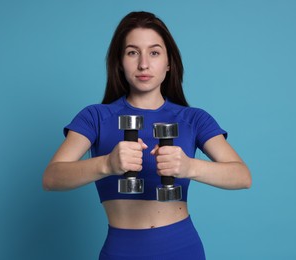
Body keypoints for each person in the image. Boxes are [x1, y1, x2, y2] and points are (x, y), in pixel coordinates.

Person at [43, 11, 252, 260]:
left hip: (182, 248)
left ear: (169, 62)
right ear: (119, 62)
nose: (144, 64)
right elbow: (51, 178)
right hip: (121, 251)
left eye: (154, 52)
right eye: (133, 52)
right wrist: (106, 163)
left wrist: (189, 166)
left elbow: (242, 176)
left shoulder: (194, 119)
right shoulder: (95, 117)